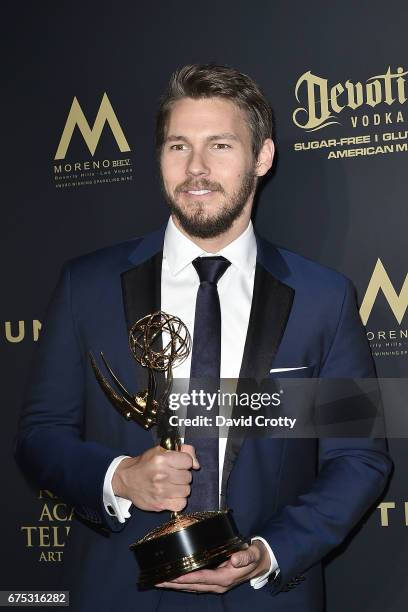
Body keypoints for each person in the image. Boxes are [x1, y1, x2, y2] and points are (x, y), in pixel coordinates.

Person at [15, 64, 392, 612]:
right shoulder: (86, 285)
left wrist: (269, 552)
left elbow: (357, 457)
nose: (196, 168)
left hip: (266, 601)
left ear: (261, 158)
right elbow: (40, 436)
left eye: (220, 145)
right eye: (177, 146)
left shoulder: (323, 298)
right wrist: (117, 478)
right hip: (121, 593)